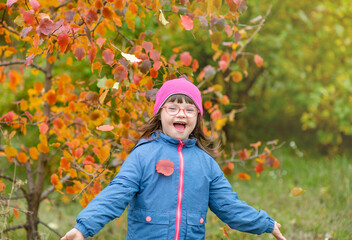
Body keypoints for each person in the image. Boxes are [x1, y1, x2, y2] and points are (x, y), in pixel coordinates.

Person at [61, 78, 286, 240]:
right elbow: (116, 193)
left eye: (189, 109)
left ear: (197, 118)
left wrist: (264, 223)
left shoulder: (206, 164)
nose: (181, 114)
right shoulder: (143, 155)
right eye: (173, 107)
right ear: (160, 113)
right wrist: (84, 227)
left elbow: (229, 207)